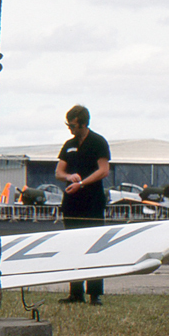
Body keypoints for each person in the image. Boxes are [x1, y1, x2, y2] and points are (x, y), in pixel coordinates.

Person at [56, 105, 111, 305]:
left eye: (72, 125)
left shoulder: (98, 142)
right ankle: (75, 292)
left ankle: (94, 293)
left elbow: (104, 170)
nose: (70, 129)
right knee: (72, 246)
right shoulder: (68, 145)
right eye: (68, 125)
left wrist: (82, 183)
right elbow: (59, 172)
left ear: (83, 123)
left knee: (93, 245)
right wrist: (69, 177)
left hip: (92, 201)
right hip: (72, 201)